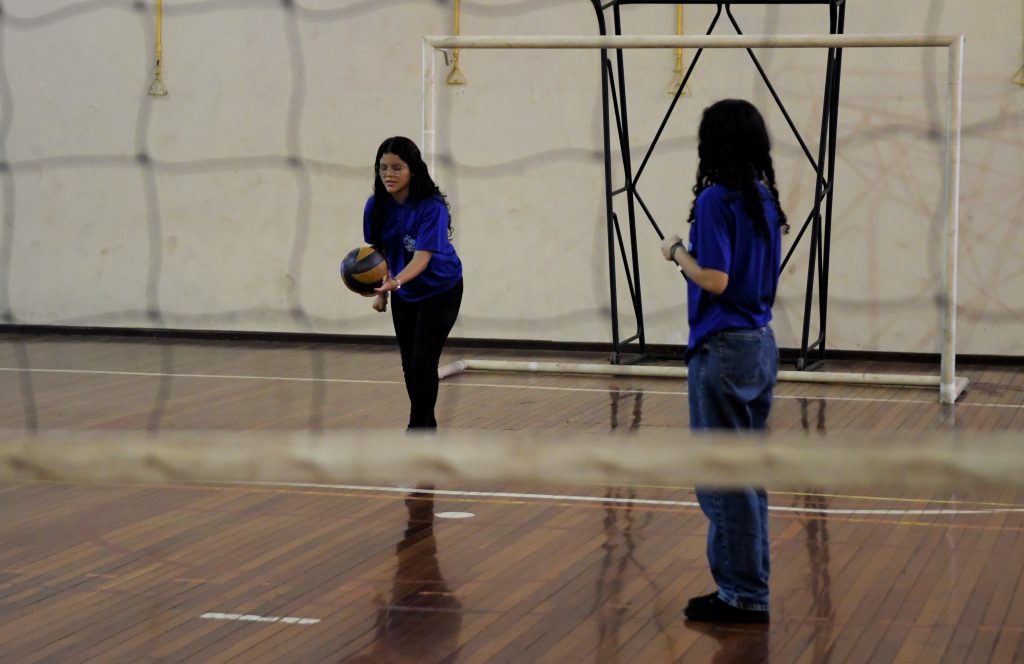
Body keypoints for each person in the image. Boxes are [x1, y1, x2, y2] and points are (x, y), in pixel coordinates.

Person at [660, 99, 788, 624]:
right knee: (746, 471)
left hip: (724, 347)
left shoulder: (716, 200)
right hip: (760, 343)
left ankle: (741, 593)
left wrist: (677, 254)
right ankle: (747, 587)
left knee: (722, 475)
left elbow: (715, 279)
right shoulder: (764, 199)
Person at [364, 136, 463, 430]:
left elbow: (422, 259)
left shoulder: (431, 207)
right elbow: (381, 250)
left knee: (423, 360)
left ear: (413, 170)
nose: (388, 174)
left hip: (441, 289)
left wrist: (395, 283)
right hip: (404, 291)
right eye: (383, 168)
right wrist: (384, 288)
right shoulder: (376, 206)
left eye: (396, 167)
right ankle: (425, 425)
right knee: (409, 363)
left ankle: (417, 430)